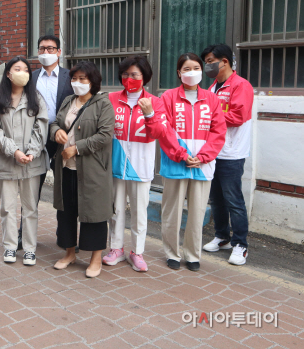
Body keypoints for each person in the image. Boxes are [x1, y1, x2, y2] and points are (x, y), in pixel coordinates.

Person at [157, 53, 226, 271]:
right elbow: (164, 130)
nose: (192, 72)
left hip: (203, 166)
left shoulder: (212, 99)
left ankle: (193, 255)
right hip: (176, 163)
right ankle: (172, 253)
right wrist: (181, 154)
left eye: (196, 67)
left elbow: (218, 131)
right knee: (172, 212)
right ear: (179, 73)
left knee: (197, 213)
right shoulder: (168, 97)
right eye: (186, 69)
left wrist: (204, 157)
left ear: (202, 71)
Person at [103, 55, 168, 272]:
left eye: (134, 74)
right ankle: (116, 248)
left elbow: (158, 133)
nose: (129, 78)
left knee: (140, 211)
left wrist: (149, 112)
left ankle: (137, 252)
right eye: (125, 74)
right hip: (115, 164)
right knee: (116, 210)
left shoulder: (156, 102)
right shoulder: (111, 98)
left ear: (144, 77)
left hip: (140, 166)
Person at [50, 61, 114, 278]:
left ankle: (96, 259)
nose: (77, 83)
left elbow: (105, 135)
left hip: (93, 169)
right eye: (74, 79)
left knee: (94, 213)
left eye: (82, 79)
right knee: (66, 212)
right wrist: (56, 131)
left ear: (93, 81)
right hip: (66, 168)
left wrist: (77, 149)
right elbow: (55, 123)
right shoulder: (69, 100)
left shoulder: (103, 103)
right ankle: (69, 253)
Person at [0, 56, 48, 266]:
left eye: (25, 69)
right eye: (17, 68)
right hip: (6, 163)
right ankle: (10, 247)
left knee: (30, 208)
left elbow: (42, 127)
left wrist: (31, 151)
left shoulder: (36, 99)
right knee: (8, 207)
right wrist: (15, 152)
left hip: (32, 162)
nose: (22, 72)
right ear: (8, 74)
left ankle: (30, 249)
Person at [18, 35, 74, 250]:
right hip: (37, 138)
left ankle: (65, 235)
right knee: (32, 188)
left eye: (51, 48)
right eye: (42, 48)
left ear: (59, 52)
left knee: (64, 188)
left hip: (62, 137)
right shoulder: (29, 78)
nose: (46, 52)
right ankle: (25, 234)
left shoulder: (71, 77)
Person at [202, 44, 253, 265]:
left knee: (233, 199)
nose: (207, 65)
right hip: (214, 152)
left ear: (224, 61)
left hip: (232, 153)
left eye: (210, 60)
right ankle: (222, 236)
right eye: (205, 61)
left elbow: (238, 116)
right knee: (216, 199)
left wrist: (211, 118)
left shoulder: (241, 86)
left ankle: (240, 244)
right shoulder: (213, 86)